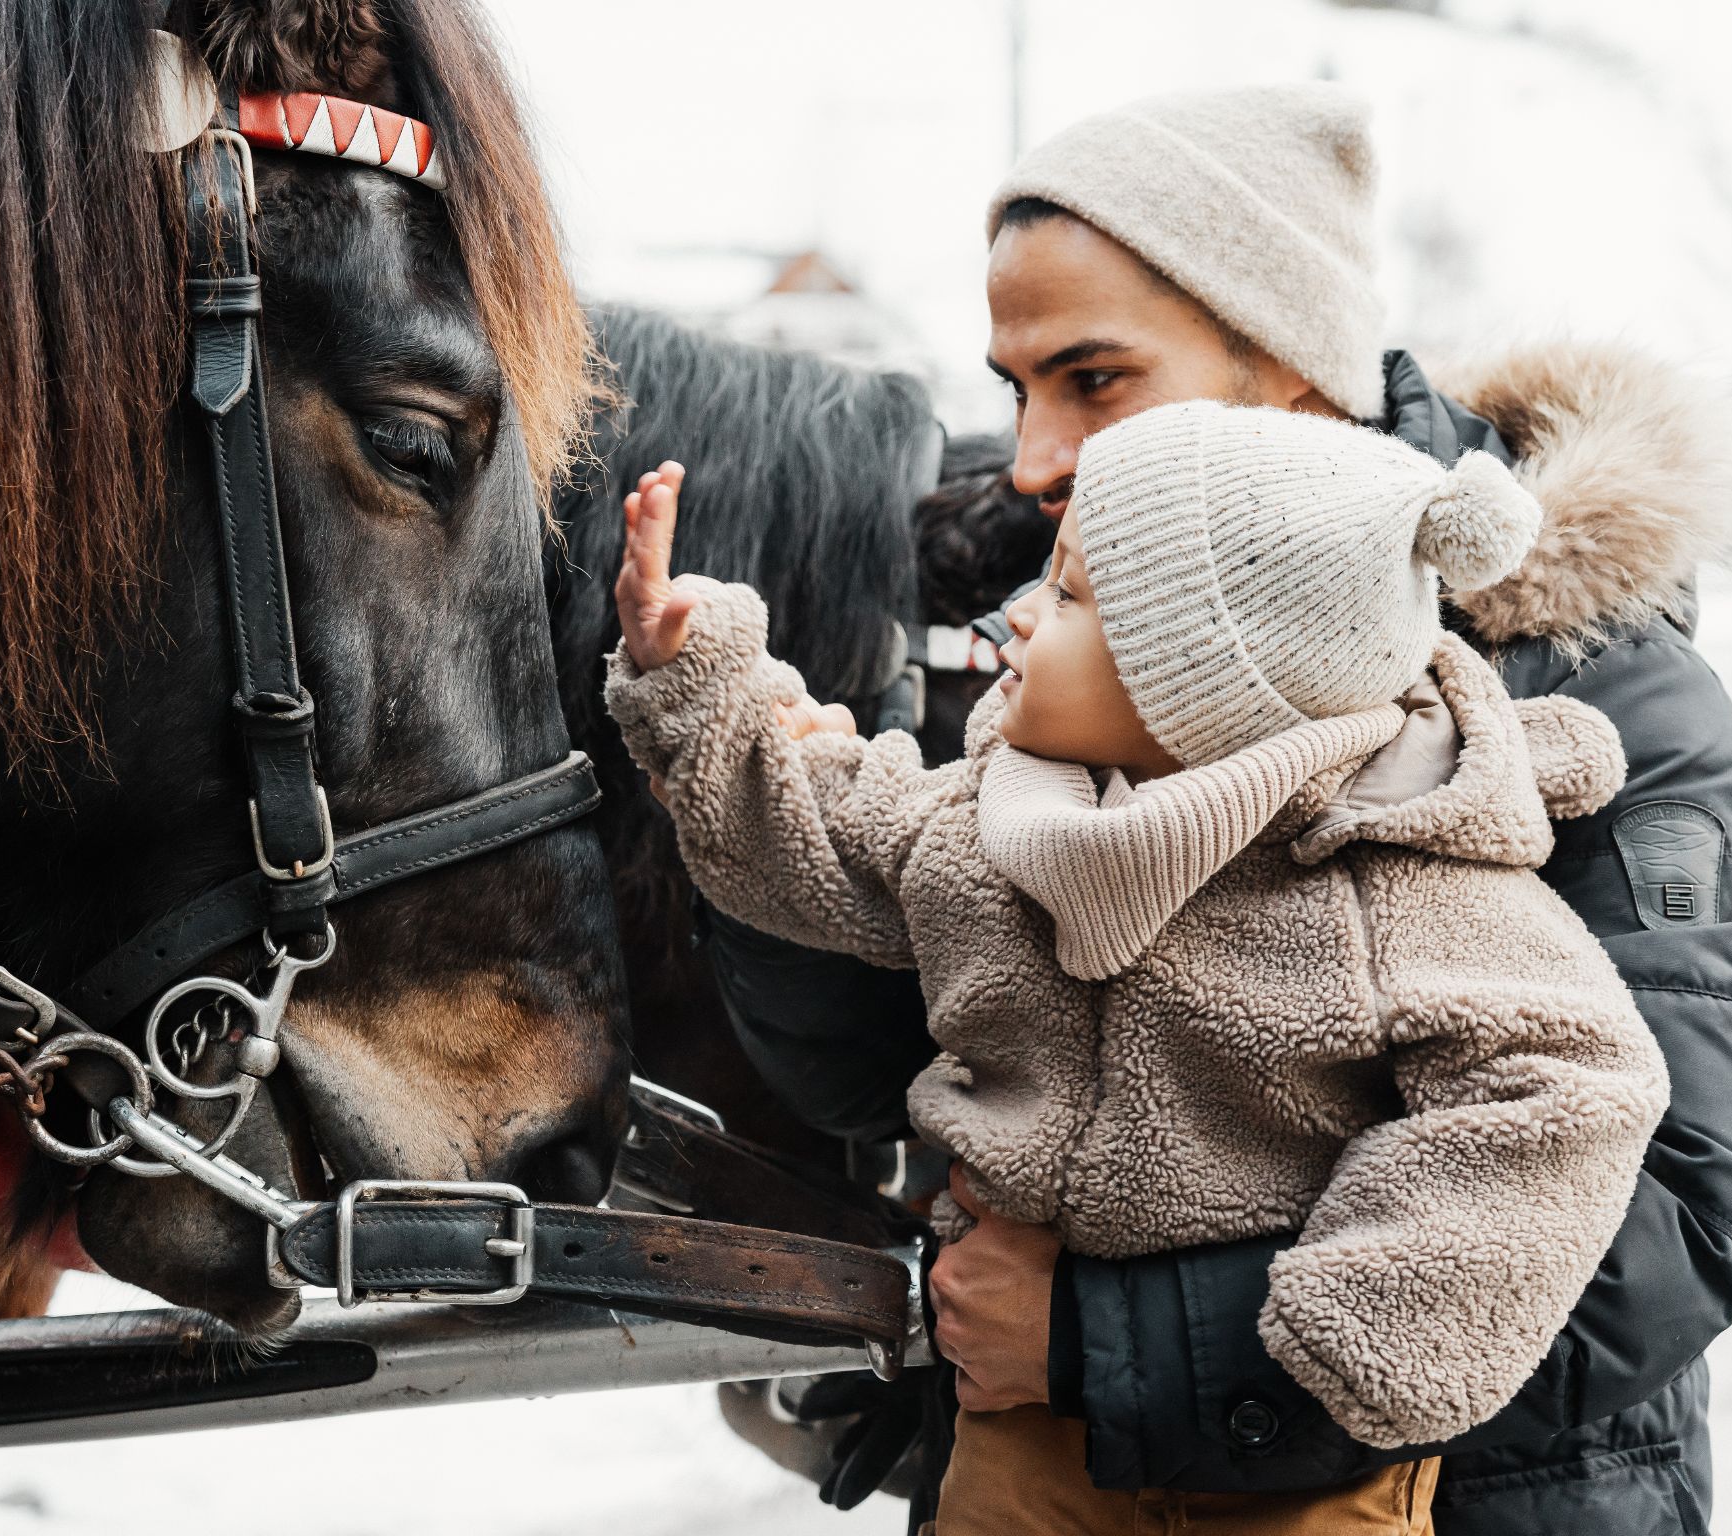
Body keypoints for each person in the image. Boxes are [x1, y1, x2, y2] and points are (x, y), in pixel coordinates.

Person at [703, 85, 1732, 1535]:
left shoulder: (1610, 702)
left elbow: (1664, 1226)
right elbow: (871, 1088)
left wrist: (1097, 1345)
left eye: (1093, 380)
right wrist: (790, 813)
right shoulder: (1054, 654)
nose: (1031, 456)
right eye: (1015, 385)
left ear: (1290, 366)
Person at [606, 401, 1671, 1535]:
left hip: (1285, 1479)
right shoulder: (998, 824)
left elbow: (1572, 1087)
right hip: (1015, 1436)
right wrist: (694, 675)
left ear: (1204, 683)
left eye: (1067, 596)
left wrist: (1343, 1333)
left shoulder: (1396, 884)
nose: (1016, 618)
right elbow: (825, 828)